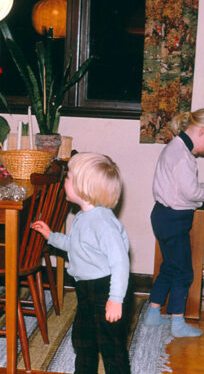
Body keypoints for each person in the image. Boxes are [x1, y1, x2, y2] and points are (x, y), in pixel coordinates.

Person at [31, 152, 130, 374]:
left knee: (111, 346)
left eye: (68, 178)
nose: (64, 181)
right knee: (83, 340)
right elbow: (76, 245)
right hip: (86, 290)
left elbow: (121, 263)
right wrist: (51, 236)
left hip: (104, 289)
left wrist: (115, 299)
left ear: (83, 187)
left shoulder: (104, 223)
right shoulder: (84, 216)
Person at [145, 107, 204, 337]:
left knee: (170, 266)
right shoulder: (183, 157)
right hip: (174, 220)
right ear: (203, 131)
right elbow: (192, 193)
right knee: (184, 273)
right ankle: (177, 323)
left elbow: (185, 189)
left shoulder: (176, 148)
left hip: (164, 216)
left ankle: (153, 314)